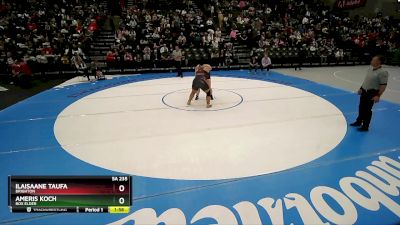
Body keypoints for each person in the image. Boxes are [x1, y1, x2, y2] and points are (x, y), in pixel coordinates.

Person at [350, 55, 389, 132]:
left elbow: (383, 85)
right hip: (364, 91)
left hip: (372, 93)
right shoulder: (370, 68)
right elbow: (366, 80)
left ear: (379, 62)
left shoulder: (383, 72)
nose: (371, 61)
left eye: (373, 60)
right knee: (361, 107)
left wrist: (378, 96)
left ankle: (365, 126)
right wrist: (361, 88)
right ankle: (358, 121)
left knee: (367, 110)